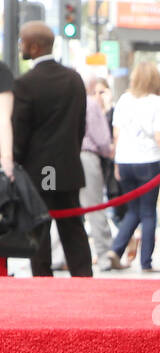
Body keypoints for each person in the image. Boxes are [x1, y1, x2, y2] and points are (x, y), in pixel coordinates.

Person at [12, 22, 94, 277]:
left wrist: (14, 163)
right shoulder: (74, 79)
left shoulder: (25, 83)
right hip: (68, 167)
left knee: (39, 231)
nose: (20, 46)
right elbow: (80, 125)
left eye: (23, 42)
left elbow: (20, 132)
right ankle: (84, 280)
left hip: (38, 172)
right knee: (74, 229)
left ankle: (43, 283)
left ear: (34, 47)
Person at [104, 60, 160, 273]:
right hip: (148, 162)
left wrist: (117, 163)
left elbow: (116, 134)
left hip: (125, 161)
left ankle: (115, 250)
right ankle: (146, 262)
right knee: (148, 212)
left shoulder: (124, 100)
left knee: (133, 210)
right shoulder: (157, 102)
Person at [81, 75, 114, 271]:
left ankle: (58, 255)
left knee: (64, 207)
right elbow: (102, 139)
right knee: (95, 206)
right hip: (87, 157)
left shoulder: (64, 102)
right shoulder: (90, 104)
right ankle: (104, 256)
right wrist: (108, 151)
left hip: (61, 159)